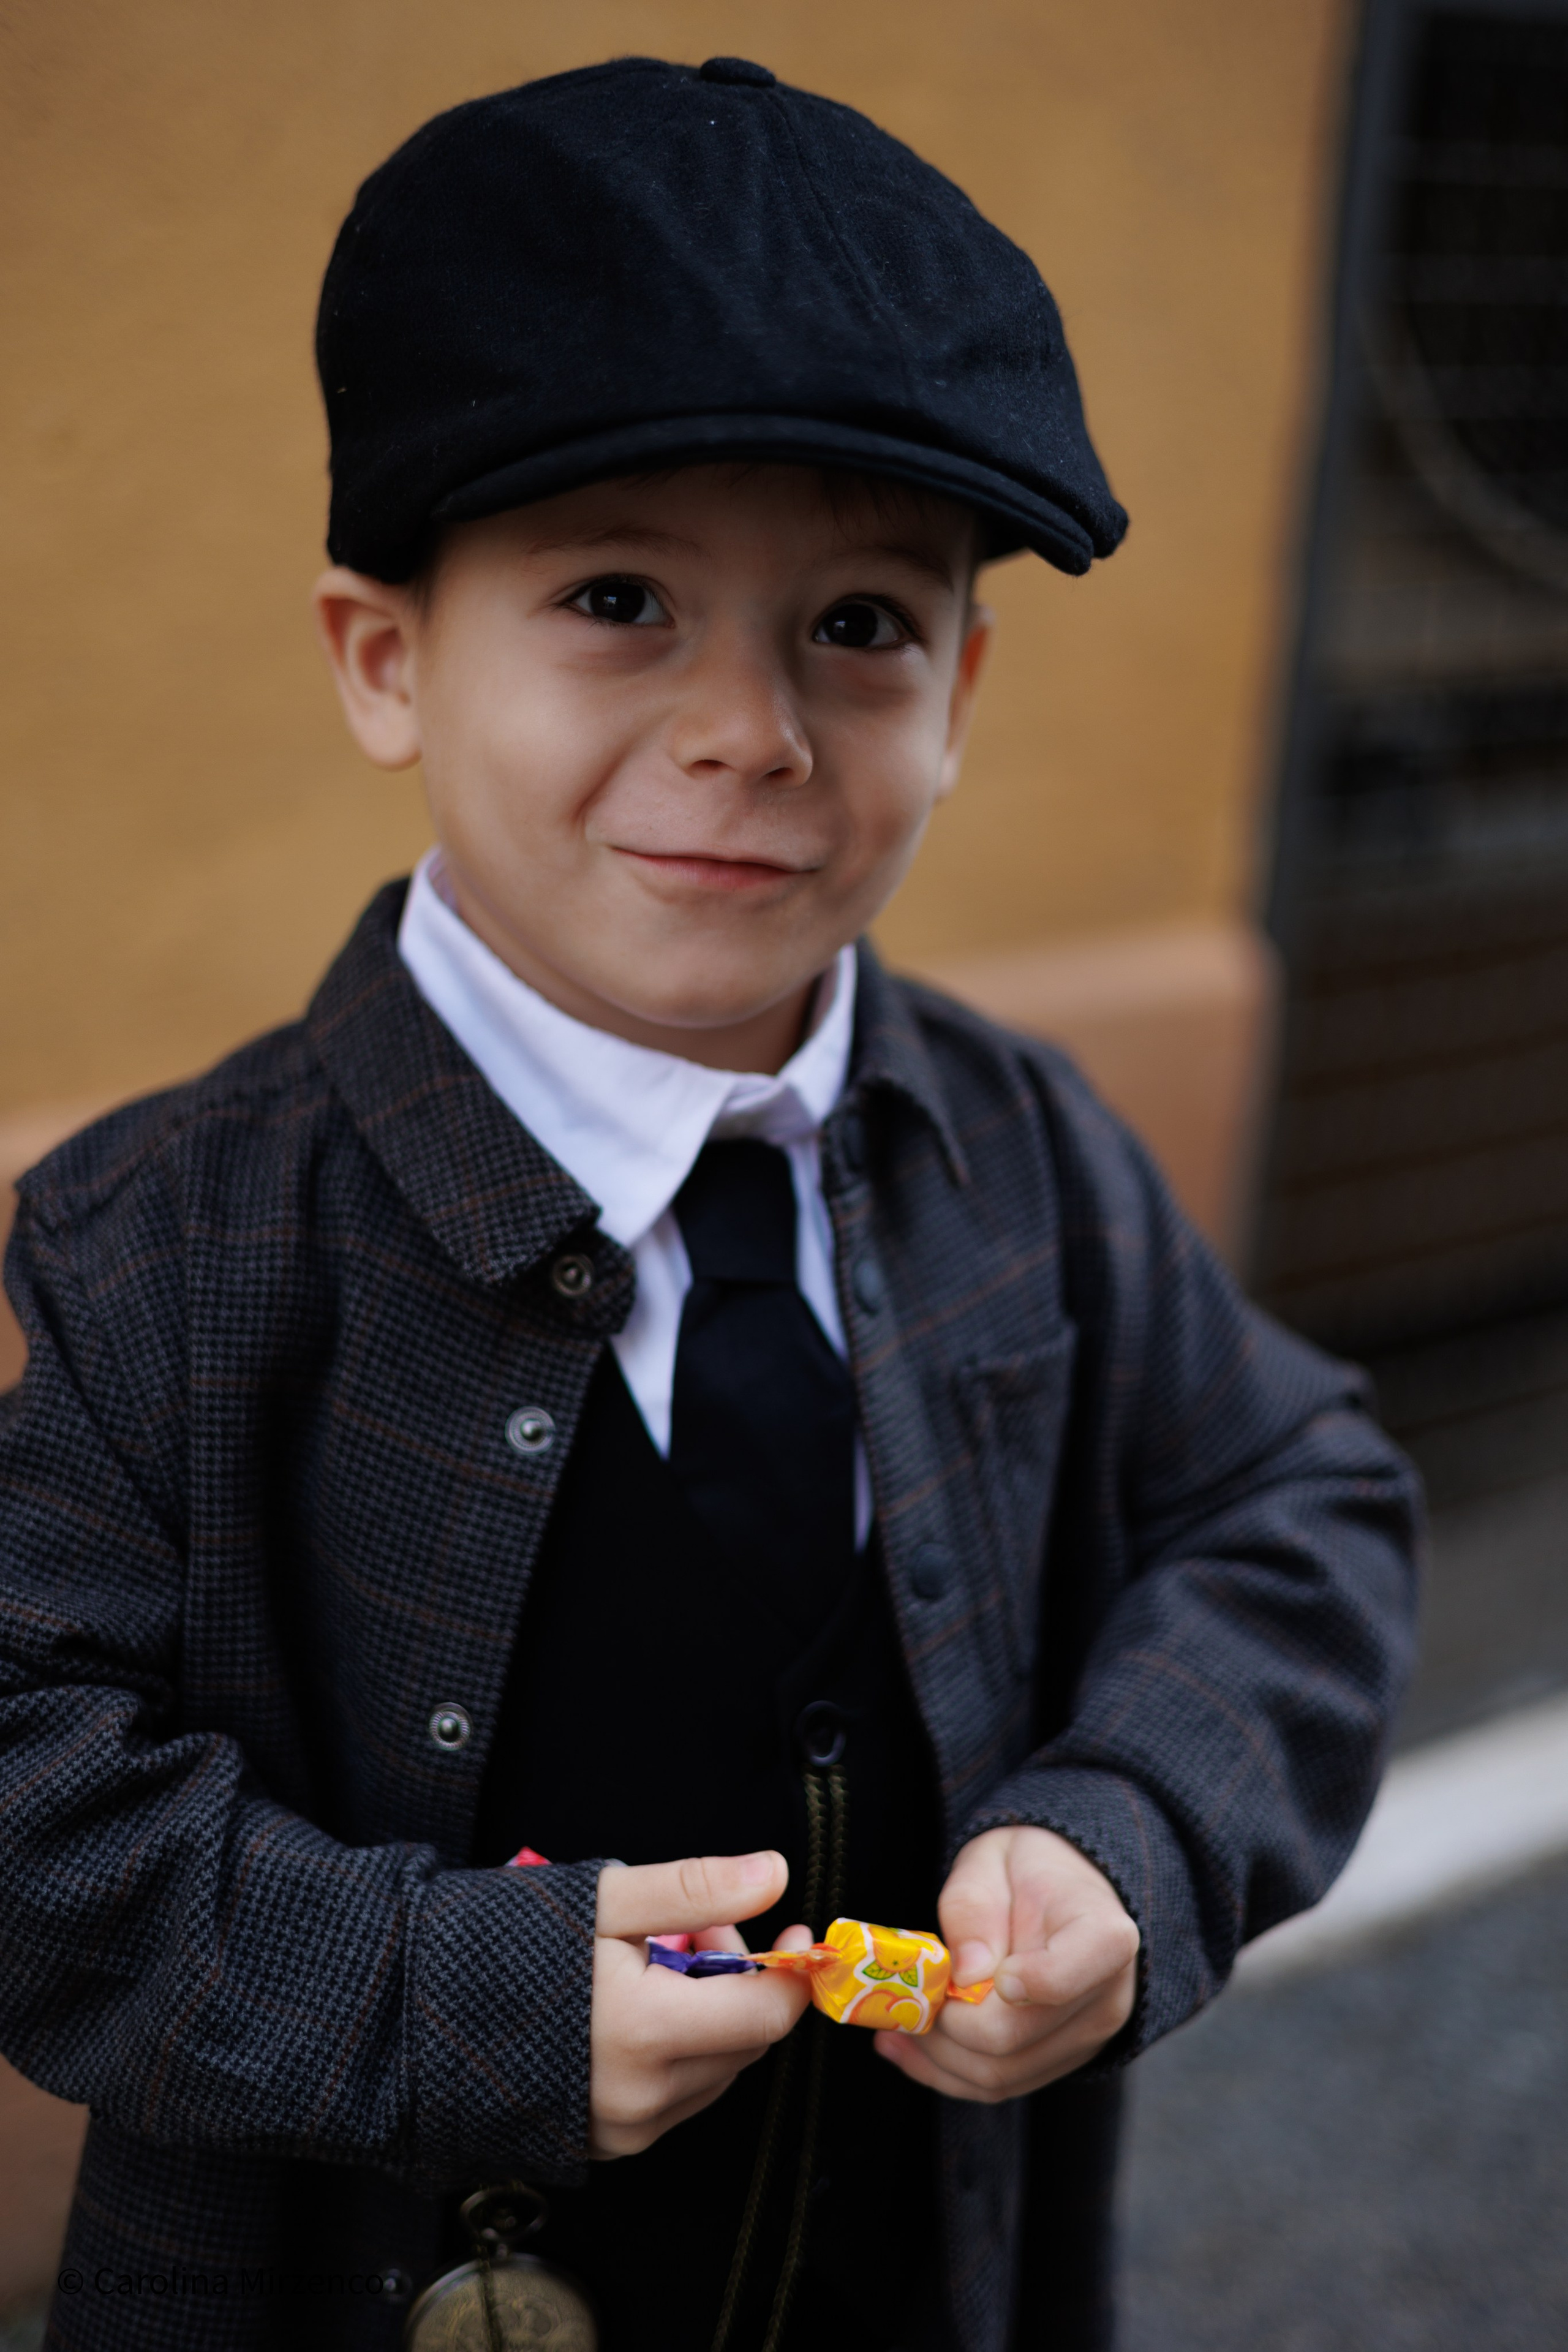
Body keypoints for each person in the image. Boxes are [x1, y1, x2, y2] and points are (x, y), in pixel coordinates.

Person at [0, 55, 1419, 2352]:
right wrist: (454, 2000)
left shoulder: (1026, 1151)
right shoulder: (164, 1245)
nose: (753, 726)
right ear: (389, 661)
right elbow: (28, 1797)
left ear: (964, 684)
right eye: (621, 594)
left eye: (860, 624)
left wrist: (1130, 1832)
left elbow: (1300, 1498)